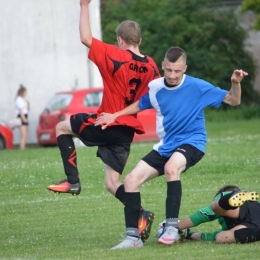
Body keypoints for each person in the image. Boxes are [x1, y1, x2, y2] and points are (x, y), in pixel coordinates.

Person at [95, 46, 248, 249]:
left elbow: (233, 100)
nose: (173, 75)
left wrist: (235, 83)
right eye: (169, 70)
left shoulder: (197, 87)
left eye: (177, 71)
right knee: (131, 181)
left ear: (185, 68)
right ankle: (133, 239)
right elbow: (140, 104)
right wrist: (115, 115)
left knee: (171, 168)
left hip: (193, 142)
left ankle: (172, 228)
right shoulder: (156, 87)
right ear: (163, 66)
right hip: (167, 145)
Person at [46, 0, 160, 242]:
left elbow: (86, 38)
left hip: (107, 123)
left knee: (61, 127)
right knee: (112, 183)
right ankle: (140, 213)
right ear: (139, 40)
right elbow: (160, 92)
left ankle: (72, 181)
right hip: (126, 131)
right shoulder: (151, 65)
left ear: (121, 39)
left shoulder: (115, 55)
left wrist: (84, 6)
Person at [161, 185, 260, 244]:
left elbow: (203, 215)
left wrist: (174, 227)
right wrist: (190, 235)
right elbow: (213, 236)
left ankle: (230, 197)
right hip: (252, 225)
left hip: (244, 207)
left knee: (214, 207)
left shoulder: (221, 197)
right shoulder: (226, 224)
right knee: (220, 237)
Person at [14, 84, 29, 149]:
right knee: (24, 135)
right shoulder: (19, 99)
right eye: (25, 92)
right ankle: (22, 148)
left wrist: (28, 103)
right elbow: (20, 110)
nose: (26, 93)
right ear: (22, 92)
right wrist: (24, 119)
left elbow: (27, 109)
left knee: (25, 135)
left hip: (25, 116)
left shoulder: (23, 99)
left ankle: (23, 148)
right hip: (22, 117)